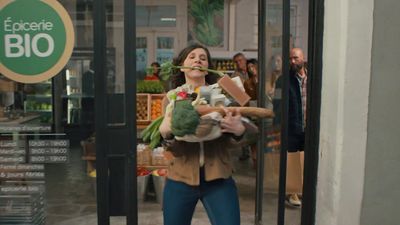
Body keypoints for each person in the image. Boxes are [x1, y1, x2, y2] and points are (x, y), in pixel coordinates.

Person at [159, 44, 254, 225]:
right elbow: (168, 146)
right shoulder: (171, 98)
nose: (198, 60)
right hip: (180, 178)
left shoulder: (224, 95)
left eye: (203, 58)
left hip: (219, 178)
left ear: (208, 66)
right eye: (192, 57)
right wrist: (167, 134)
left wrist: (239, 131)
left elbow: (252, 133)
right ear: (181, 66)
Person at [273, 48, 307, 207]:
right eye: (291, 59)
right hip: (292, 127)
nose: (293, 61)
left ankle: (304, 191)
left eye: (296, 58)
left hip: (309, 129)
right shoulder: (282, 80)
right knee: (292, 161)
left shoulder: (312, 78)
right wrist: (278, 125)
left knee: (306, 160)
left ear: (303, 58)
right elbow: (277, 103)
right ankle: (292, 193)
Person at [232, 53, 251, 160]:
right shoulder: (235, 75)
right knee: (244, 129)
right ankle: (245, 152)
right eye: (236, 61)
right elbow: (233, 91)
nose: (239, 63)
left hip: (254, 103)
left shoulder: (252, 71)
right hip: (242, 105)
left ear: (245, 60)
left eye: (240, 60)